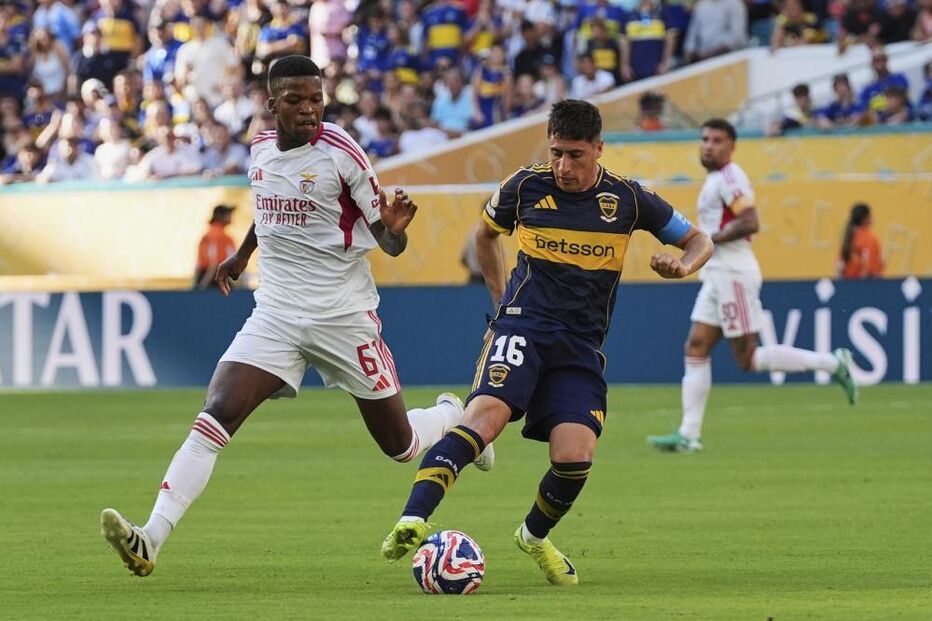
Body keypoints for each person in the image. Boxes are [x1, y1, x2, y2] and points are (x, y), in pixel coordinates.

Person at [100, 56, 492, 577]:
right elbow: (267, 209)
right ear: (272, 105)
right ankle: (150, 537)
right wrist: (242, 256)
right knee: (216, 413)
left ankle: (453, 415)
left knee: (400, 447)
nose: (309, 109)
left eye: (316, 99)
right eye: (296, 100)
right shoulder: (260, 149)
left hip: (342, 317)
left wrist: (396, 230)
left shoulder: (342, 153)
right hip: (276, 314)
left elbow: (388, 241)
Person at [380, 99, 714, 585]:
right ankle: (413, 517)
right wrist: (502, 307)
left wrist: (683, 266)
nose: (563, 166)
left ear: (599, 149)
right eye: (556, 153)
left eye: (575, 155)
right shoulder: (524, 186)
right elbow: (484, 237)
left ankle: (533, 536)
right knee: (485, 420)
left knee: (576, 456)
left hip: (579, 345)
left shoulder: (628, 199)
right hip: (524, 328)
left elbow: (700, 240)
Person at [647, 119, 858, 454]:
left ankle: (833, 364)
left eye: (717, 140)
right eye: (705, 139)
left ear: (732, 146)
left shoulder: (731, 177)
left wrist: (707, 242)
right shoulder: (715, 180)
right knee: (696, 347)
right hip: (717, 274)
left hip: (733, 273)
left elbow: (750, 221)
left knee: (748, 358)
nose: (708, 145)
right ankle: (689, 434)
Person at [194, 204, 238, 289]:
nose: (230, 216)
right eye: (228, 213)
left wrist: (197, 285)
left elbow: (199, 264)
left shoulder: (206, 235)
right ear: (219, 216)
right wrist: (202, 287)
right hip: (214, 280)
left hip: (205, 276)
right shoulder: (221, 236)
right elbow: (215, 264)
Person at [837, 203, 884, 279]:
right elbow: (871, 268)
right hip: (865, 284)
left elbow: (839, 267)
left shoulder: (848, 237)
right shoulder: (870, 239)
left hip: (847, 283)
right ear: (866, 218)